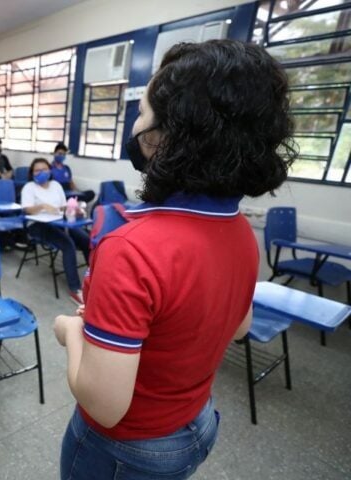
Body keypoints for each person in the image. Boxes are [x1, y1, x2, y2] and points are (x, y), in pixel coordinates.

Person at [54, 40, 295, 479]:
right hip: (196, 424)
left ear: (163, 138)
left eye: (142, 114)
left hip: (127, 448)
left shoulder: (131, 248)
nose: (136, 125)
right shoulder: (240, 230)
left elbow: (105, 406)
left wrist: (72, 331)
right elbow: (238, 327)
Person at [20, 158, 89, 306]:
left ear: (50, 171)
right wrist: (43, 206)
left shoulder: (56, 185)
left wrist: (75, 209)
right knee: (68, 245)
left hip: (59, 221)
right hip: (38, 225)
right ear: (32, 173)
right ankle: (75, 290)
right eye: (37, 170)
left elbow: (64, 207)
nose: (41, 173)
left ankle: (93, 280)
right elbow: (27, 209)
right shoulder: (29, 187)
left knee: (86, 239)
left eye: (44, 169)